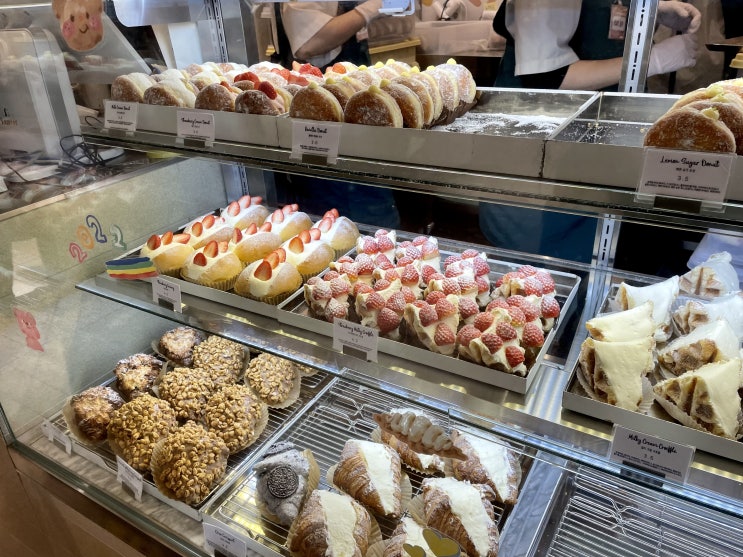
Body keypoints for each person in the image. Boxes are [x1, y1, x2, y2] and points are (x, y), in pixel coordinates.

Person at [479, 0, 702, 262]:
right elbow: (548, 77)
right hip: (543, 139)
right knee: (535, 263)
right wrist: (652, 60)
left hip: (597, 137)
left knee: (595, 246)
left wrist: (650, 10)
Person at [271, 0, 402, 229]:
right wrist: (372, 7)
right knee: (332, 225)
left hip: (359, 124)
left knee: (375, 219)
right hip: (317, 120)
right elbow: (308, 43)